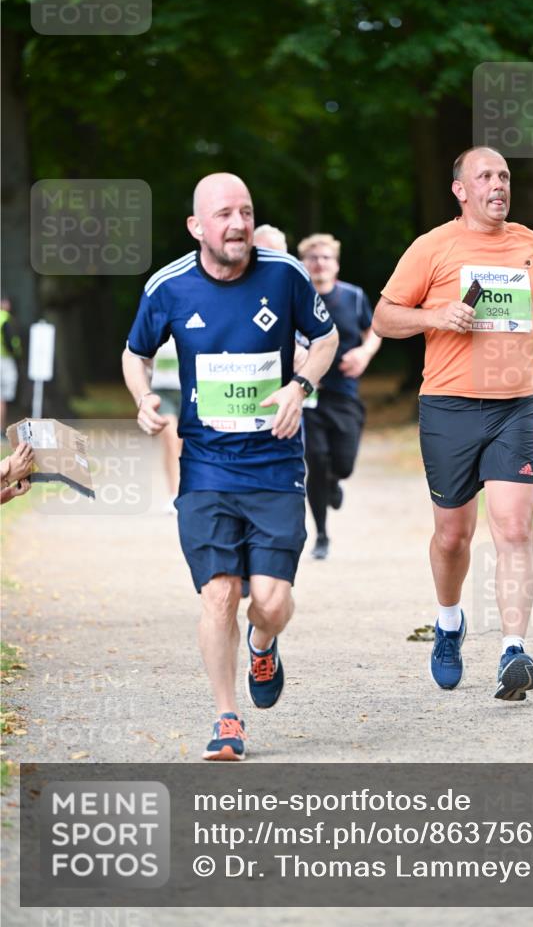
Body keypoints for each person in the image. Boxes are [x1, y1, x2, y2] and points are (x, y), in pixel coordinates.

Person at [122, 173, 338, 760]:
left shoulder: (284, 274)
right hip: (208, 466)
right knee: (219, 592)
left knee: (267, 600)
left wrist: (300, 385)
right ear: (197, 226)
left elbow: (326, 337)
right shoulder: (169, 286)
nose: (238, 224)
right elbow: (135, 353)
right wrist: (142, 397)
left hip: (273, 462)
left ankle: (263, 643)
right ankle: (227, 718)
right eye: (224, 214)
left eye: (245, 211)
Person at [373, 146, 533, 701]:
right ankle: (448, 621)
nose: (498, 184)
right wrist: (435, 315)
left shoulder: (526, 241)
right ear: (461, 189)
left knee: (513, 529)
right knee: (453, 534)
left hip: (515, 405)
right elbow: (384, 317)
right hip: (449, 406)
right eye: (485, 176)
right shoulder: (432, 247)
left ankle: (513, 650)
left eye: (504, 175)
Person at [297, 233, 381, 559]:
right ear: (303, 264)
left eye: (325, 258)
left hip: (345, 392)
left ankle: (335, 481)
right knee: (314, 460)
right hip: (308, 393)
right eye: (312, 258)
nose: (319, 263)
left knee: (343, 464)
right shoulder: (294, 297)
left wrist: (364, 354)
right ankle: (321, 536)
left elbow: (371, 330)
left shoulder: (353, 297)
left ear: (336, 264)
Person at [150, 335, 183, 513]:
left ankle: (186, 490)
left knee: (183, 443)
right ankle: (174, 494)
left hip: (188, 390)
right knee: (172, 439)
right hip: (162, 392)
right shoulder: (156, 323)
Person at [1, 297, 22, 435]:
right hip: (4, 360)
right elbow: (11, 342)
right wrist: (17, 353)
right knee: (2, 396)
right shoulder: (5, 318)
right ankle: (1, 429)